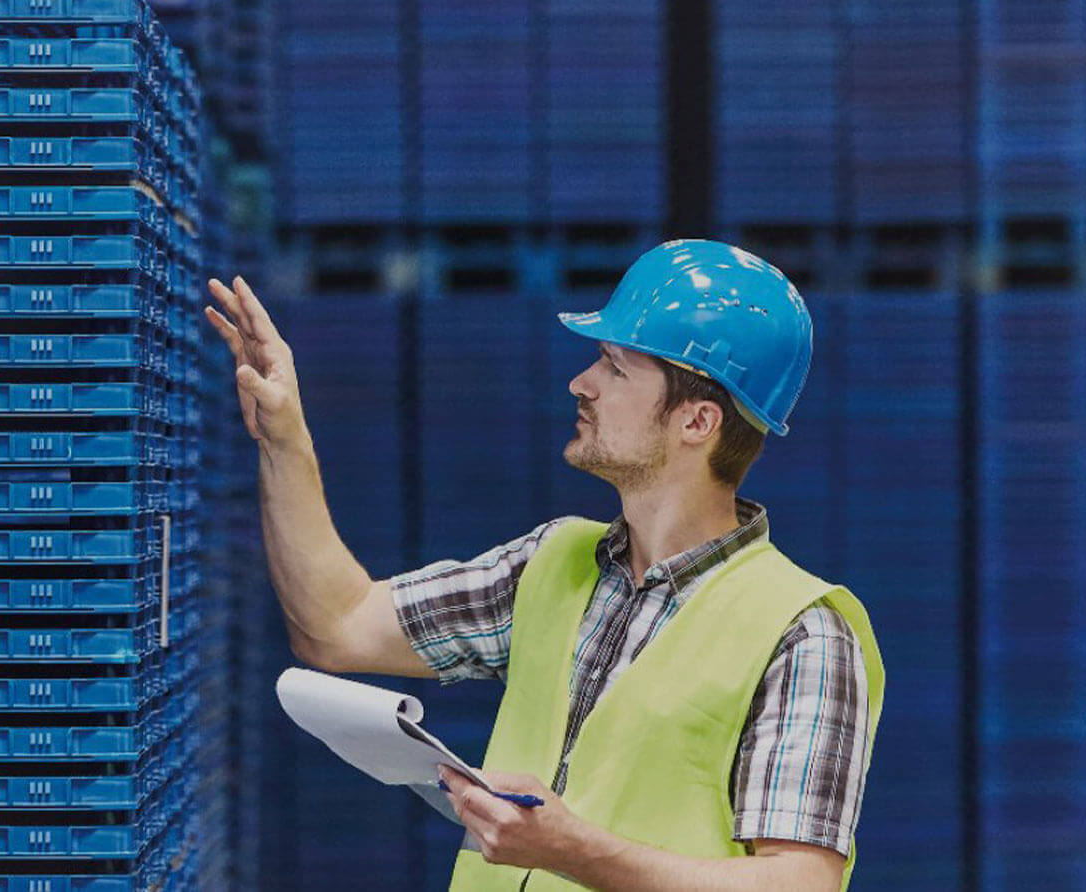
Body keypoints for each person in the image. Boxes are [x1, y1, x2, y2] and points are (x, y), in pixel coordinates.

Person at [204, 239, 885, 892]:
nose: (581, 383)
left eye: (616, 368)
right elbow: (337, 625)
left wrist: (572, 851)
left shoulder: (803, 634)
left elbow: (798, 883)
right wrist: (284, 437)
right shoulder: (552, 563)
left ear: (697, 423)